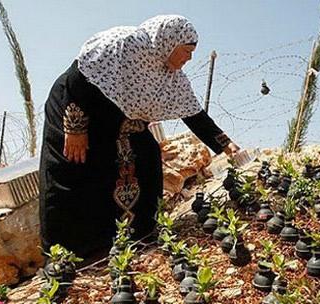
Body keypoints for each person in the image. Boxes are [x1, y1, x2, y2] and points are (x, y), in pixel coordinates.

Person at [39, 15, 239, 258]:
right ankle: (70, 252)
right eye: (186, 51)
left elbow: (194, 114)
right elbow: (77, 77)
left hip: (119, 123)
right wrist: (75, 127)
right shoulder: (122, 44)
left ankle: (138, 232)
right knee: (75, 170)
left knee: (146, 158)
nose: (189, 58)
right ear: (168, 42)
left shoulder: (170, 76)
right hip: (75, 111)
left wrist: (225, 144)